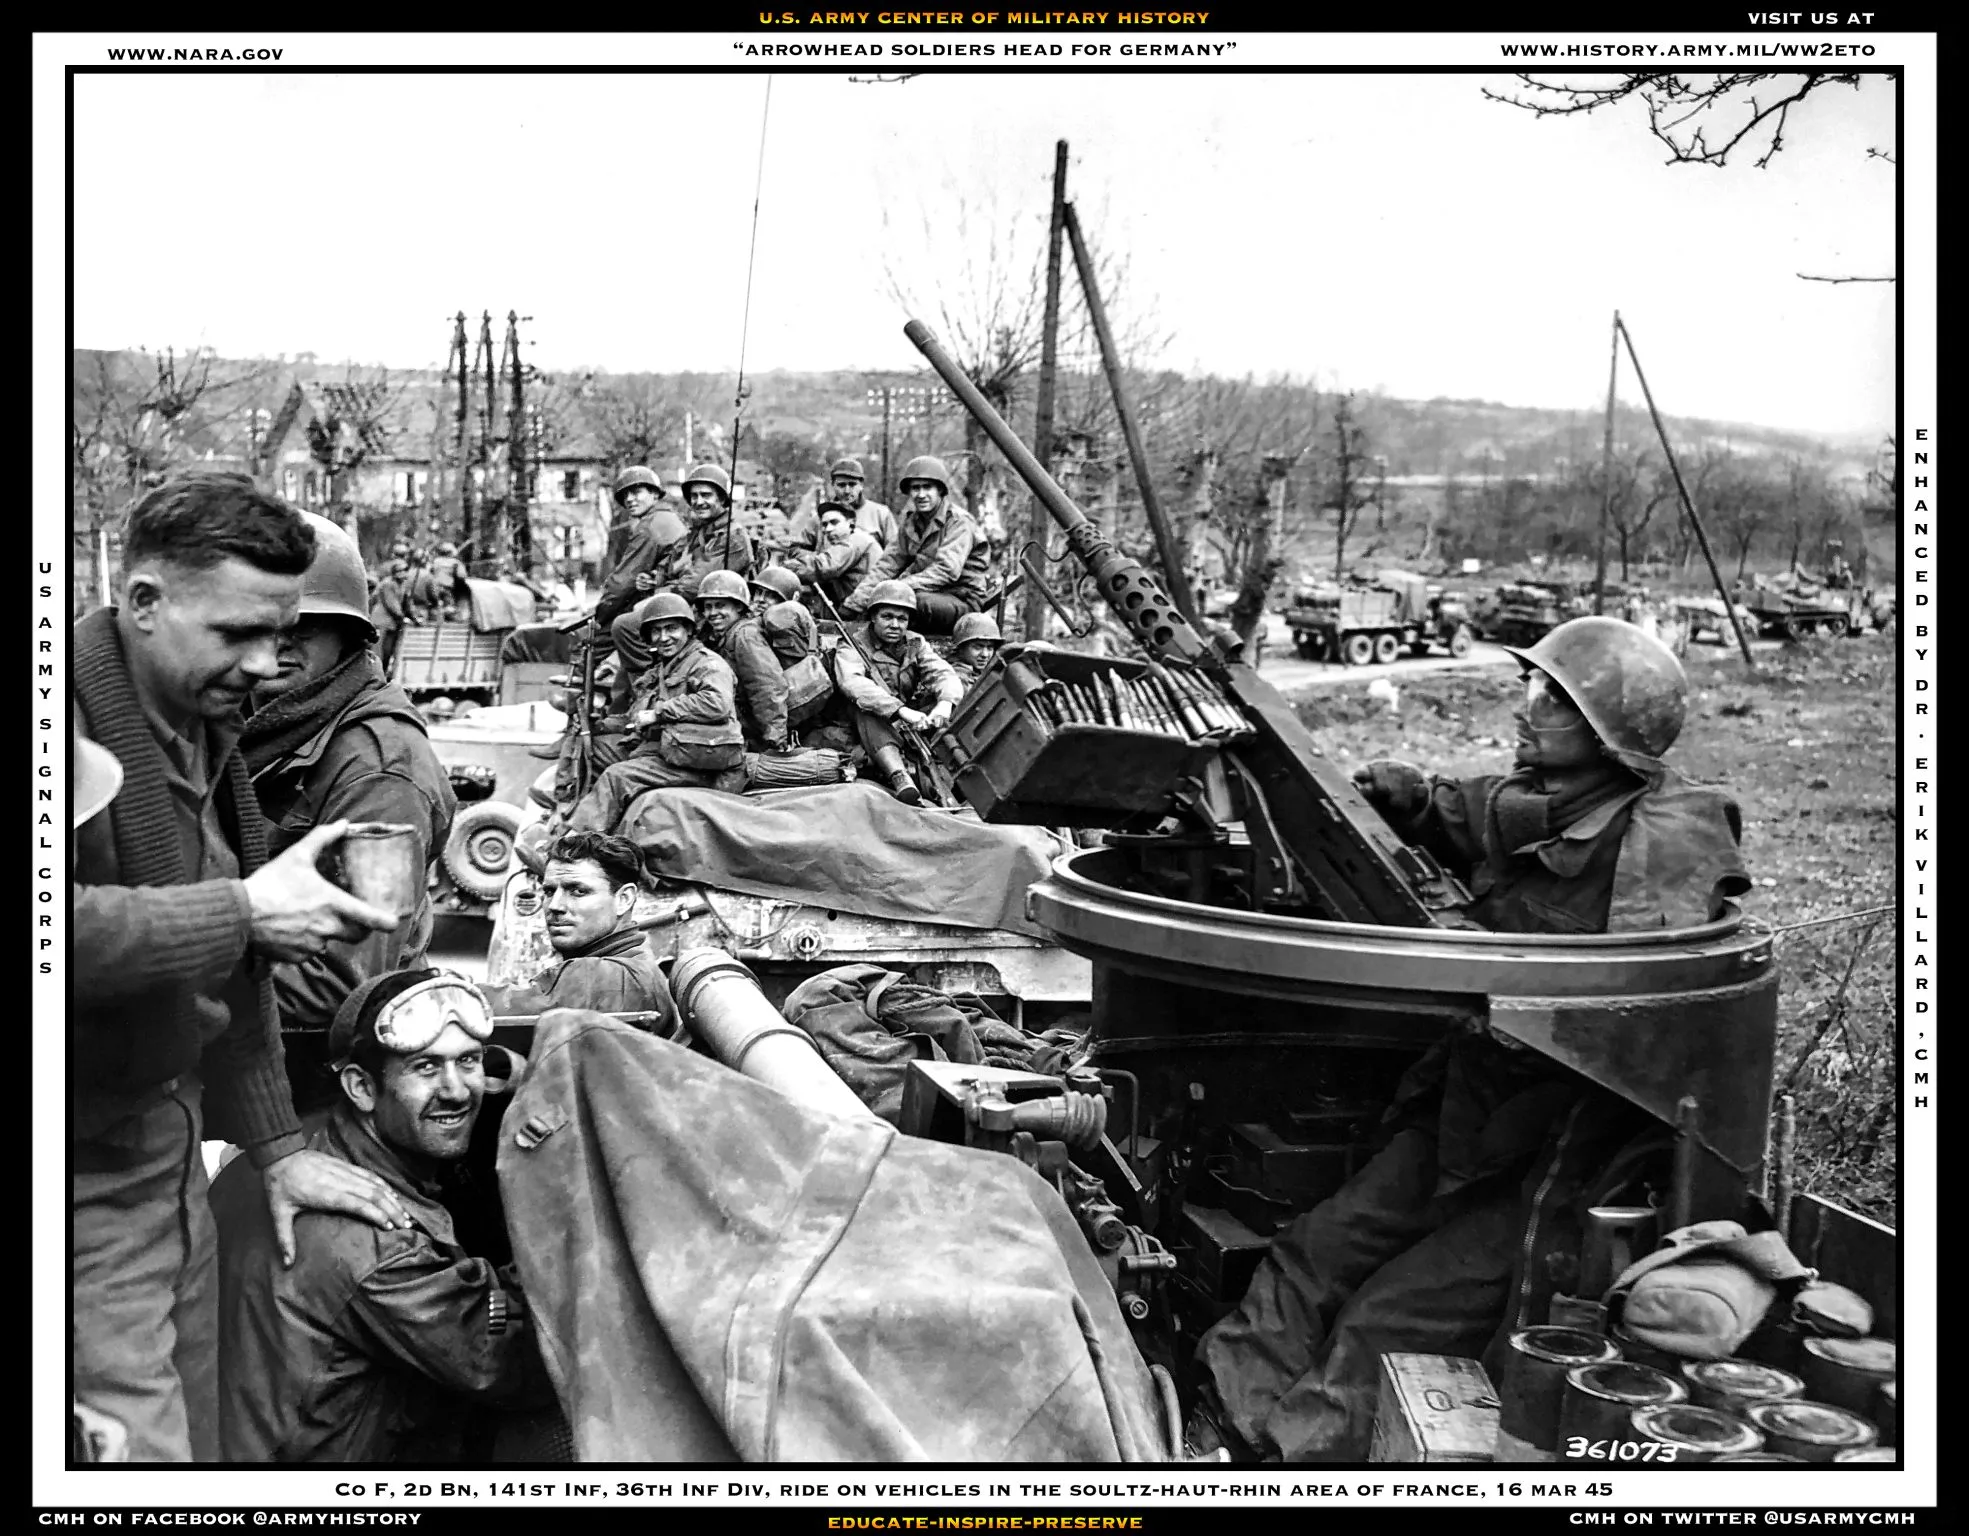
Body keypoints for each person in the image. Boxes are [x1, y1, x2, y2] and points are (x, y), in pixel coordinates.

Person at [1188, 616, 1751, 1463]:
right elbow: (1470, 809)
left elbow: (1641, 1008)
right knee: (1317, 1247)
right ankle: (1218, 1421)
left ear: (1608, 735)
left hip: (1562, 1156)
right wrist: (1404, 796)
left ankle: (1286, 1461)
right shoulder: (1548, 801)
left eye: (1552, 699)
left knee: (1391, 1313)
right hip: (1469, 1116)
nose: (1526, 707)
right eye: (1532, 687)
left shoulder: (1665, 846)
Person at [73, 471, 414, 1462]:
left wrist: (274, 1147)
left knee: (203, 1442)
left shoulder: (204, 721)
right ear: (144, 600)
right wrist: (242, 911)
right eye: (238, 634)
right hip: (79, 1167)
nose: (267, 665)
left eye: (282, 634)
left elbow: (241, 961)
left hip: (165, 1151)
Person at [210, 969, 556, 1462]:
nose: (458, 1091)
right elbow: (513, 1365)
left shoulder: (289, 1154)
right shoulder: (376, 1239)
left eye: (468, 1061)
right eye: (425, 1067)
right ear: (362, 1088)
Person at [241, 513, 457, 1079]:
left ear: (348, 635)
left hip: (329, 1070)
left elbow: (344, 982)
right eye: (262, 623)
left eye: (303, 627)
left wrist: (170, 968)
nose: (278, 644)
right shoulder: (259, 723)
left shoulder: (384, 771)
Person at [567, 591, 745, 833]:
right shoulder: (664, 668)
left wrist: (659, 713)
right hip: (668, 750)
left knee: (616, 777)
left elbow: (717, 703)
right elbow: (636, 716)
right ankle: (583, 817)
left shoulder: (707, 663)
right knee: (593, 748)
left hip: (699, 761)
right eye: (656, 631)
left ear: (688, 630)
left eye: (671, 629)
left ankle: (577, 839)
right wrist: (600, 725)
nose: (664, 637)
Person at [605, 463, 753, 712]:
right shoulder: (695, 533)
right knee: (630, 623)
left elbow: (694, 586)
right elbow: (670, 567)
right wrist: (653, 580)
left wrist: (658, 594)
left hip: (711, 610)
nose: (699, 502)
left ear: (722, 499)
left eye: (706, 495)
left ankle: (654, 691)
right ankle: (626, 706)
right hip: (687, 607)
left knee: (626, 626)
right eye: (694, 496)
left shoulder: (731, 536)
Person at [493, 831, 680, 1027]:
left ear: (624, 899)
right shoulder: (639, 966)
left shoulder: (601, 974)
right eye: (549, 891)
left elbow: (491, 1010)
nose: (555, 905)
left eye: (578, 891)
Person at [830, 580, 963, 805]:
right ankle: (899, 775)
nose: (895, 625)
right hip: (860, 722)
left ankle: (950, 779)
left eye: (902, 619)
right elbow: (852, 682)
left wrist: (945, 703)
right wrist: (900, 710)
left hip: (902, 721)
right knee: (867, 707)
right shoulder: (854, 644)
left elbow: (942, 673)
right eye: (887, 617)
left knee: (944, 705)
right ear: (873, 617)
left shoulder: (913, 644)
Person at [842, 456, 991, 635]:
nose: (921, 494)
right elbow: (887, 565)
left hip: (962, 599)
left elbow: (946, 570)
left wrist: (899, 588)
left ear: (940, 490)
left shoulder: (959, 522)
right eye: (915, 488)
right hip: (926, 592)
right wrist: (854, 603)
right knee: (874, 606)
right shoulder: (911, 523)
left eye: (927, 487)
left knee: (913, 603)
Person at [696, 569, 789, 752]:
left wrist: (776, 739)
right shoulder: (718, 635)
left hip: (749, 729)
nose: (713, 613)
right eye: (708, 607)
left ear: (739, 607)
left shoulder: (745, 635)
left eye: (720, 606)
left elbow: (767, 687)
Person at [787, 456, 899, 554]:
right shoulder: (822, 518)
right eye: (841, 485)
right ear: (833, 485)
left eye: (852, 485)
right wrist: (820, 559)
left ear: (861, 485)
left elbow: (895, 552)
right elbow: (795, 549)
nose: (847, 491)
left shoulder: (880, 514)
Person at [790, 501, 882, 614]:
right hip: (860, 605)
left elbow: (822, 567)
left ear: (851, 524)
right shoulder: (849, 541)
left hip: (864, 610)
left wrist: (785, 568)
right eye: (824, 524)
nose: (827, 529)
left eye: (834, 522)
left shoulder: (856, 540)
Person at [369, 558, 410, 673]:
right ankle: (375, 674)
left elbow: (407, 603)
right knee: (377, 652)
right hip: (381, 621)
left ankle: (384, 673)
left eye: (404, 571)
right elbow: (392, 604)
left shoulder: (404, 585)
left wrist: (414, 617)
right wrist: (401, 617)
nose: (402, 574)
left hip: (392, 623)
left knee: (388, 651)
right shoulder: (387, 584)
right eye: (399, 571)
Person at [948, 611, 1003, 691]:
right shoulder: (954, 678)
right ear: (961, 648)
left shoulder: (979, 673)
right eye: (977, 647)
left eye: (990, 648)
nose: (985, 654)